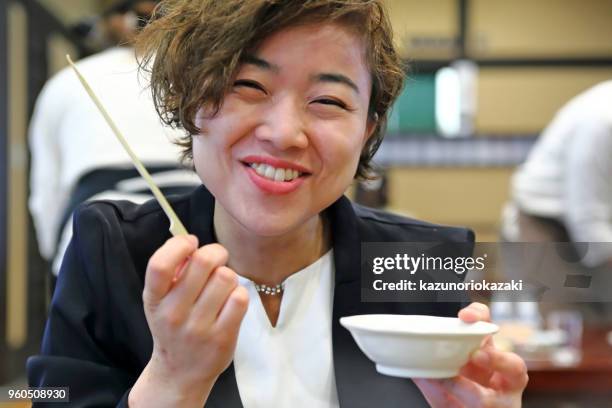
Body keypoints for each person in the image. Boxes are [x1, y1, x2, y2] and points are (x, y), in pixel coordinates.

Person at [28, 1, 528, 406]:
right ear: (191, 100)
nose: (284, 133)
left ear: (368, 129)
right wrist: (173, 380)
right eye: (248, 86)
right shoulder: (110, 251)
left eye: (328, 101)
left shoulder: (426, 261)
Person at [28, 0, 200, 282]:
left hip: (92, 238)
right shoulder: (205, 77)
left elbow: (46, 197)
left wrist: (56, 252)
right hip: (193, 233)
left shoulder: (67, 81)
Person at [503, 81, 612, 269]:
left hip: (592, 225)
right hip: (546, 224)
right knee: (556, 296)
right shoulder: (601, 121)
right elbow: (588, 218)